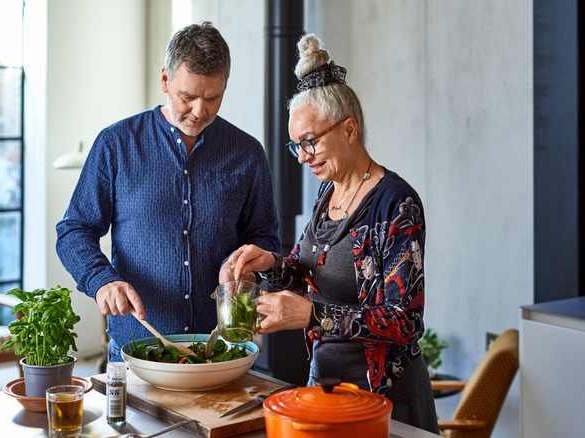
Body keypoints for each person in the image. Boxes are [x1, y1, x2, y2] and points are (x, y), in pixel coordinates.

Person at [221, 34, 438, 432]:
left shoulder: (397, 204)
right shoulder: (327, 193)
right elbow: (309, 270)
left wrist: (310, 315)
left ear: (350, 129)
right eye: (295, 146)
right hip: (324, 386)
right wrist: (270, 264)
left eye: (309, 141)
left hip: (384, 400)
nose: (302, 157)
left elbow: (404, 321)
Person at [56, 22, 280, 363]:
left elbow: (264, 237)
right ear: (165, 80)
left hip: (219, 351)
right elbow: (74, 230)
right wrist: (101, 280)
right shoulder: (116, 144)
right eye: (187, 97)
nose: (199, 111)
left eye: (213, 98)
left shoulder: (247, 153)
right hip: (136, 350)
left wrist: (250, 266)